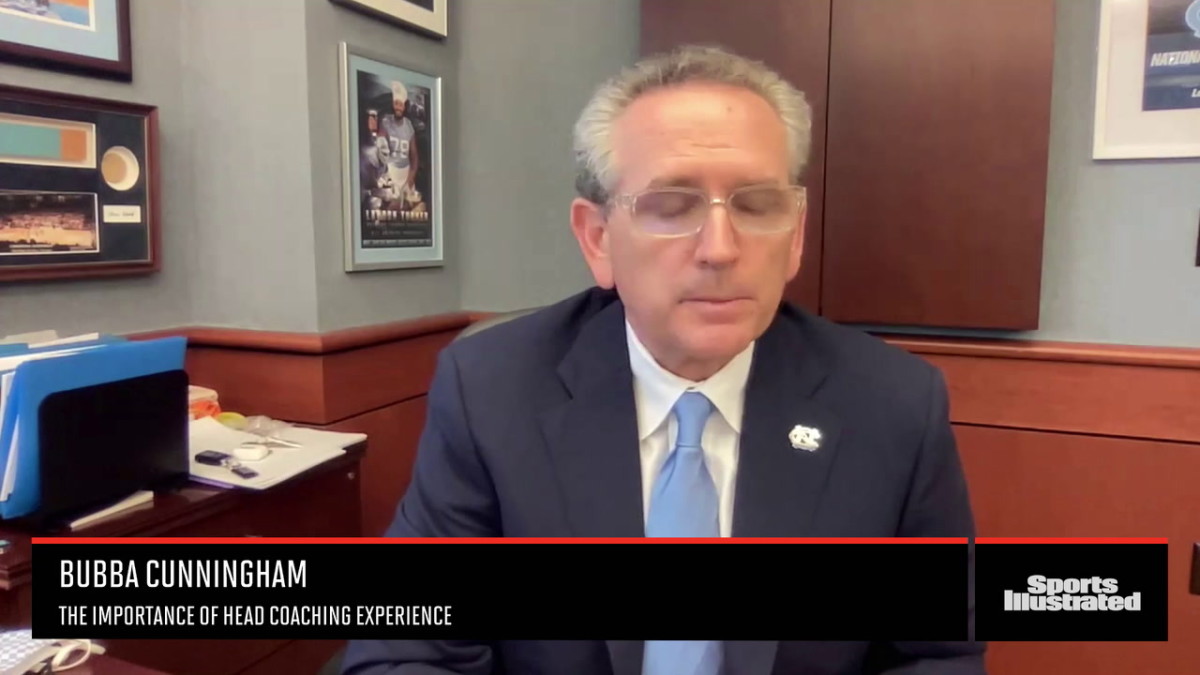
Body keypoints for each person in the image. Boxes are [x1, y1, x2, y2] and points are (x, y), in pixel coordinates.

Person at [341, 45, 984, 675]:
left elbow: (936, 656)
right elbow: (408, 649)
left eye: (757, 205)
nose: (720, 249)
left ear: (795, 236)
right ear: (598, 239)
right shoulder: (492, 390)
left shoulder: (894, 406)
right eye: (671, 206)